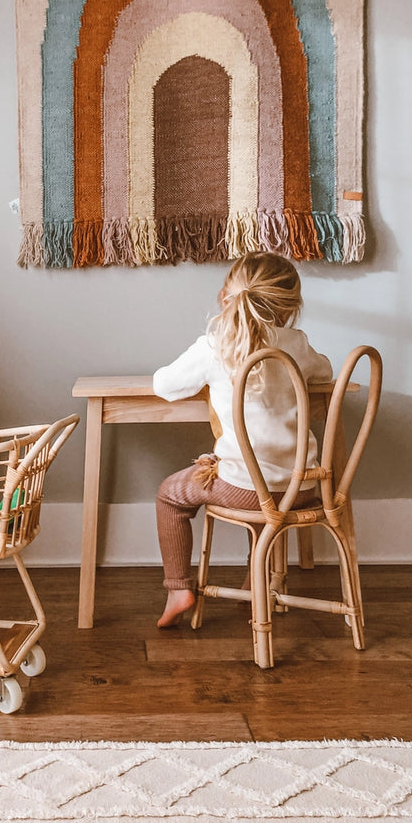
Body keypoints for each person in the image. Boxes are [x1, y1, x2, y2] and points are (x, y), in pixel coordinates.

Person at [152, 252, 332, 628]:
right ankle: (255, 582)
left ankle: (178, 588)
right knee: (262, 497)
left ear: (226, 297)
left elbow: (164, 386)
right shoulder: (297, 344)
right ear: (290, 308)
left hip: (246, 490)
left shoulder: (215, 346)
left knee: (171, 495)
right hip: (304, 488)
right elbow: (325, 372)